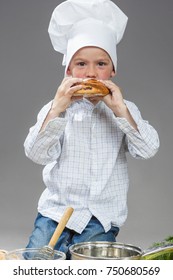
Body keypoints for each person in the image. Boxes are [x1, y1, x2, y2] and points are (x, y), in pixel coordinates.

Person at [24, 0, 160, 259]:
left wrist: (121, 110)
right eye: (81, 64)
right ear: (68, 70)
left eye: (101, 64)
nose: (91, 74)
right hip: (55, 212)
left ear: (113, 70)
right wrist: (56, 110)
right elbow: (36, 154)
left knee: (92, 269)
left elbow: (149, 149)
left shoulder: (124, 109)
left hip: (101, 217)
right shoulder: (55, 108)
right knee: (34, 265)